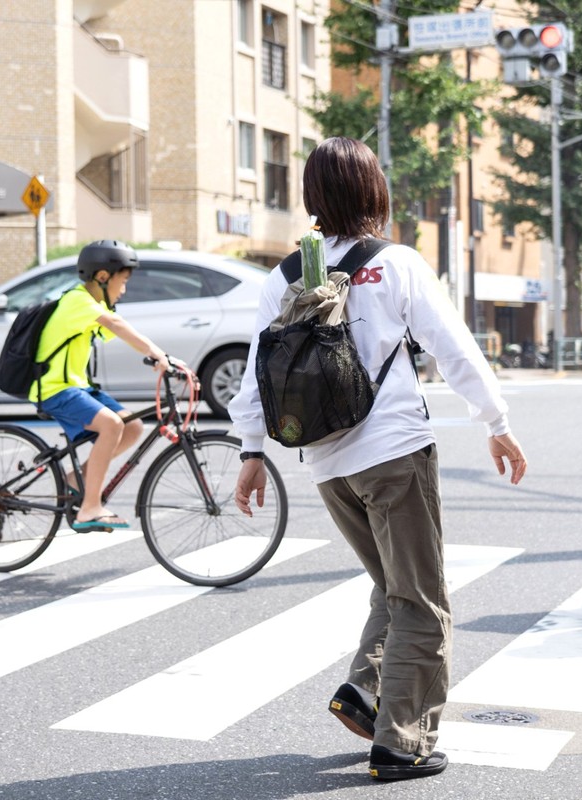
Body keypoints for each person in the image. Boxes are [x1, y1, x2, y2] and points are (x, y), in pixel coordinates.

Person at [228, 137, 527, 782]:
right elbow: (453, 348)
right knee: (421, 600)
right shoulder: (396, 263)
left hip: (326, 465)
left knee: (395, 584)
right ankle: (401, 742)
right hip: (393, 453)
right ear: (373, 191)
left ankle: (365, 694)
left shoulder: (284, 276)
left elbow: (256, 374)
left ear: (313, 195)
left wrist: (251, 450)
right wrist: (495, 422)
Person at [31, 239, 174, 532]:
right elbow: (116, 325)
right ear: (103, 276)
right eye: (123, 281)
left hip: (77, 387)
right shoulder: (77, 301)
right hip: (54, 388)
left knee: (132, 426)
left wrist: (167, 358)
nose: (124, 290)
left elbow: (120, 330)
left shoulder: (93, 305)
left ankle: (77, 479)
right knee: (111, 425)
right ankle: (89, 508)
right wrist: (158, 354)